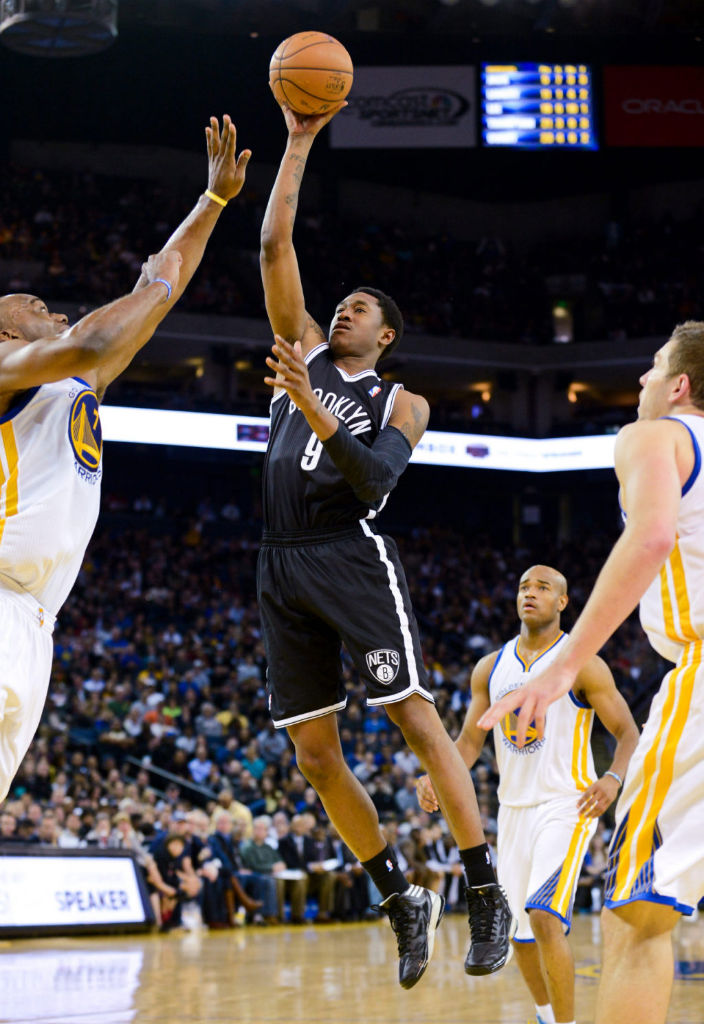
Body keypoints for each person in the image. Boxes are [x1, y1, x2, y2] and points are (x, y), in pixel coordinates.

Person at [257, 94, 513, 989]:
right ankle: (400, 895)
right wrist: (296, 143)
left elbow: (372, 482)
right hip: (277, 561)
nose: (341, 313)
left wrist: (318, 413)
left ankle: (483, 888)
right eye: (340, 304)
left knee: (412, 716)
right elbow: (275, 247)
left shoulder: (403, 400)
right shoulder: (300, 351)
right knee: (315, 755)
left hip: (345, 552)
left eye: (359, 308)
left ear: (386, 334)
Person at [0, 115, 250, 806]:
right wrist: (153, 294)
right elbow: (93, 337)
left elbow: (156, 281)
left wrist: (213, 202)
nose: (40, 299)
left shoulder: (78, 383)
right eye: (26, 302)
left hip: (36, 624)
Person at [479, 322, 704, 1024]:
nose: (638, 382)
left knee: (637, 914)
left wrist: (561, 666)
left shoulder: (658, 434)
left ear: (679, 385)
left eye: (651, 369)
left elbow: (654, 534)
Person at [417, 565, 639, 1024]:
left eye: (543, 588)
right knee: (518, 933)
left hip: (567, 803)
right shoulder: (490, 668)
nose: (530, 594)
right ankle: (545, 1016)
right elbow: (470, 742)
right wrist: (436, 773)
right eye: (523, 587)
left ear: (562, 603)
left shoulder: (582, 662)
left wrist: (612, 779)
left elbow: (628, 734)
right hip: (513, 811)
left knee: (543, 915)